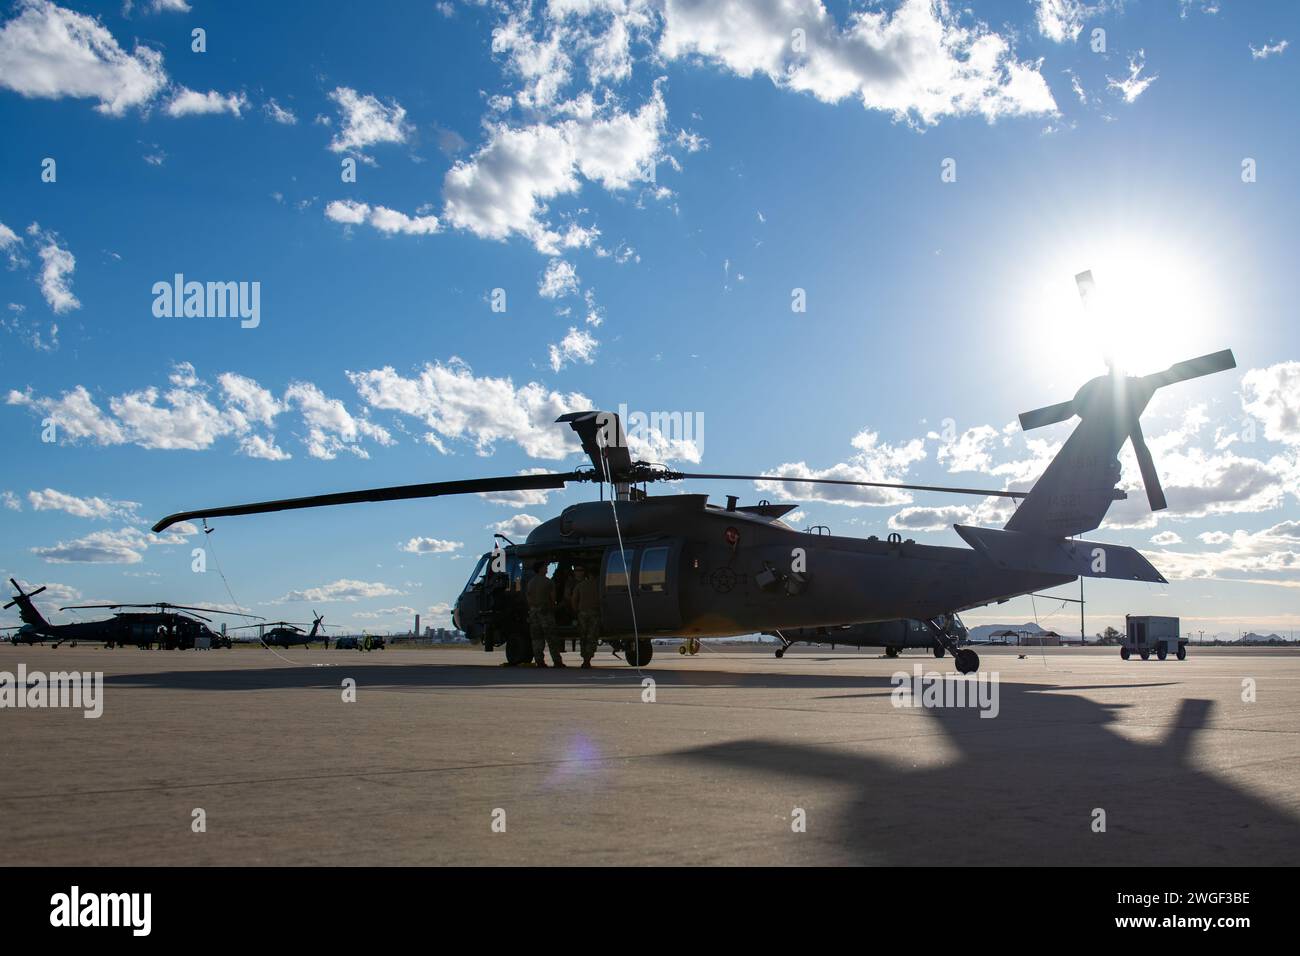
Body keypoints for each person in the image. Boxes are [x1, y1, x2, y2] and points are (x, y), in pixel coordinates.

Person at [525, 561, 563, 667]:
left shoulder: (531, 582)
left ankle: (539, 661)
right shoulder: (548, 582)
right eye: (545, 567)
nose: (547, 569)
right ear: (540, 569)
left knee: (537, 638)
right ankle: (557, 661)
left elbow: (528, 598)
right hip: (545, 612)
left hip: (533, 612)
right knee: (552, 638)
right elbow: (553, 598)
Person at [570, 565, 601, 668]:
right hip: (594, 613)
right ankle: (588, 658)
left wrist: (576, 611)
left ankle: (585, 658)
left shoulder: (580, 585)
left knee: (583, 636)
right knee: (592, 636)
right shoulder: (599, 585)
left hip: (582, 613)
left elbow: (574, 599)